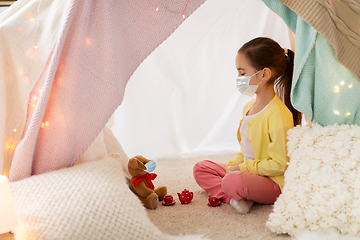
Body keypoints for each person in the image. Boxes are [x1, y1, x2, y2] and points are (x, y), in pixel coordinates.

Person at [193, 37, 301, 214]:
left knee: (232, 181)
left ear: (264, 74)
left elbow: (280, 165)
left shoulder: (278, 114)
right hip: (249, 171)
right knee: (201, 168)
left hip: (272, 181)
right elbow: (246, 150)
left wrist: (241, 168)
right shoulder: (248, 108)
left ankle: (237, 192)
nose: (238, 78)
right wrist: (233, 165)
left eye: (242, 73)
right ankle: (235, 198)